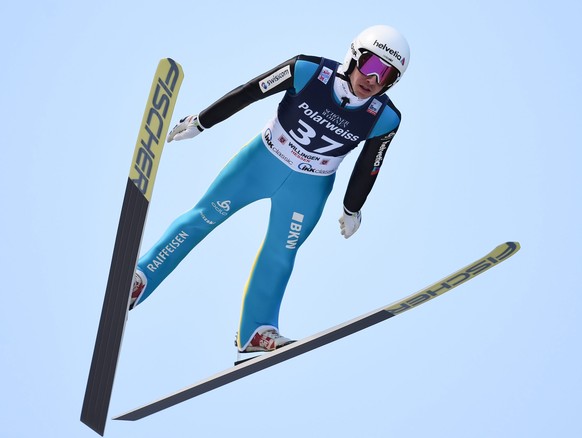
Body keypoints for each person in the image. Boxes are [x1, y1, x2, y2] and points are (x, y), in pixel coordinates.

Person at [130, 25, 410, 354]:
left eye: (387, 77)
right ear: (354, 56)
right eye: (373, 66)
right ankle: (139, 279)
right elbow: (250, 91)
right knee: (203, 217)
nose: (374, 81)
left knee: (281, 253)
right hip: (261, 163)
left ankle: (256, 332)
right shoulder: (306, 71)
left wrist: (352, 207)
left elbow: (370, 165)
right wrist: (202, 121)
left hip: (309, 187)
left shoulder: (385, 118)